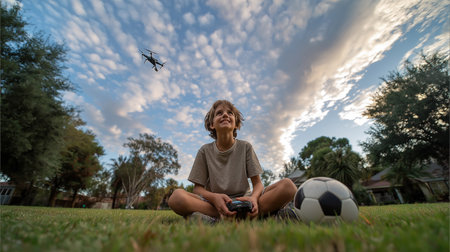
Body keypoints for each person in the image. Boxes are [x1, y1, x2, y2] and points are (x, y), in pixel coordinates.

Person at [168, 100, 297, 222]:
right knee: (176, 197)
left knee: (288, 186)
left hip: (245, 203)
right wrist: (214, 197)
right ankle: (257, 216)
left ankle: (219, 218)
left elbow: (258, 184)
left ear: (235, 124)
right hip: (214, 204)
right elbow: (197, 189)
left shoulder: (246, 147)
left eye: (230, 113)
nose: (225, 114)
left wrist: (253, 198)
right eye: (219, 113)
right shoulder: (204, 151)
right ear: (212, 124)